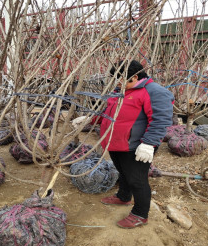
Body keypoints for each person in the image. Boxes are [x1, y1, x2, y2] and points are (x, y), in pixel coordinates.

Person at [73, 60, 174, 229]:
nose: (116, 82)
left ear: (134, 77)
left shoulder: (153, 91)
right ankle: (123, 196)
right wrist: (91, 120)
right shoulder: (119, 91)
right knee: (123, 172)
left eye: (119, 78)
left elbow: (161, 119)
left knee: (137, 180)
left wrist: (149, 143)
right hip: (116, 143)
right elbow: (109, 114)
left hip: (136, 145)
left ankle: (140, 214)